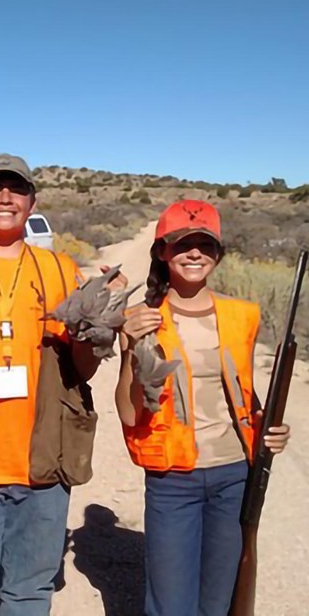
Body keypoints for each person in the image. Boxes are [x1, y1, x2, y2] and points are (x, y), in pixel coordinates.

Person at [0, 153, 126, 615]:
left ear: (32, 203)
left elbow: (83, 369)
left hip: (44, 462)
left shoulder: (60, 270)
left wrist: (98, 331)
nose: (5, 197)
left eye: (16, 189)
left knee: (29, 594)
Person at [115, 199, 291, 616]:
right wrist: (128, 354)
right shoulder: (140, 319)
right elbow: (127, 413)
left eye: (205, 244)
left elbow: (244, 396)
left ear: (218, 253)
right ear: (162, 252)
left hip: (234, 476)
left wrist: (271, 428)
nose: (194, 253)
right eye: (182, 244)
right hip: (173, 480)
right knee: (171, 606)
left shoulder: (243, 316)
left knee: (218, 602)